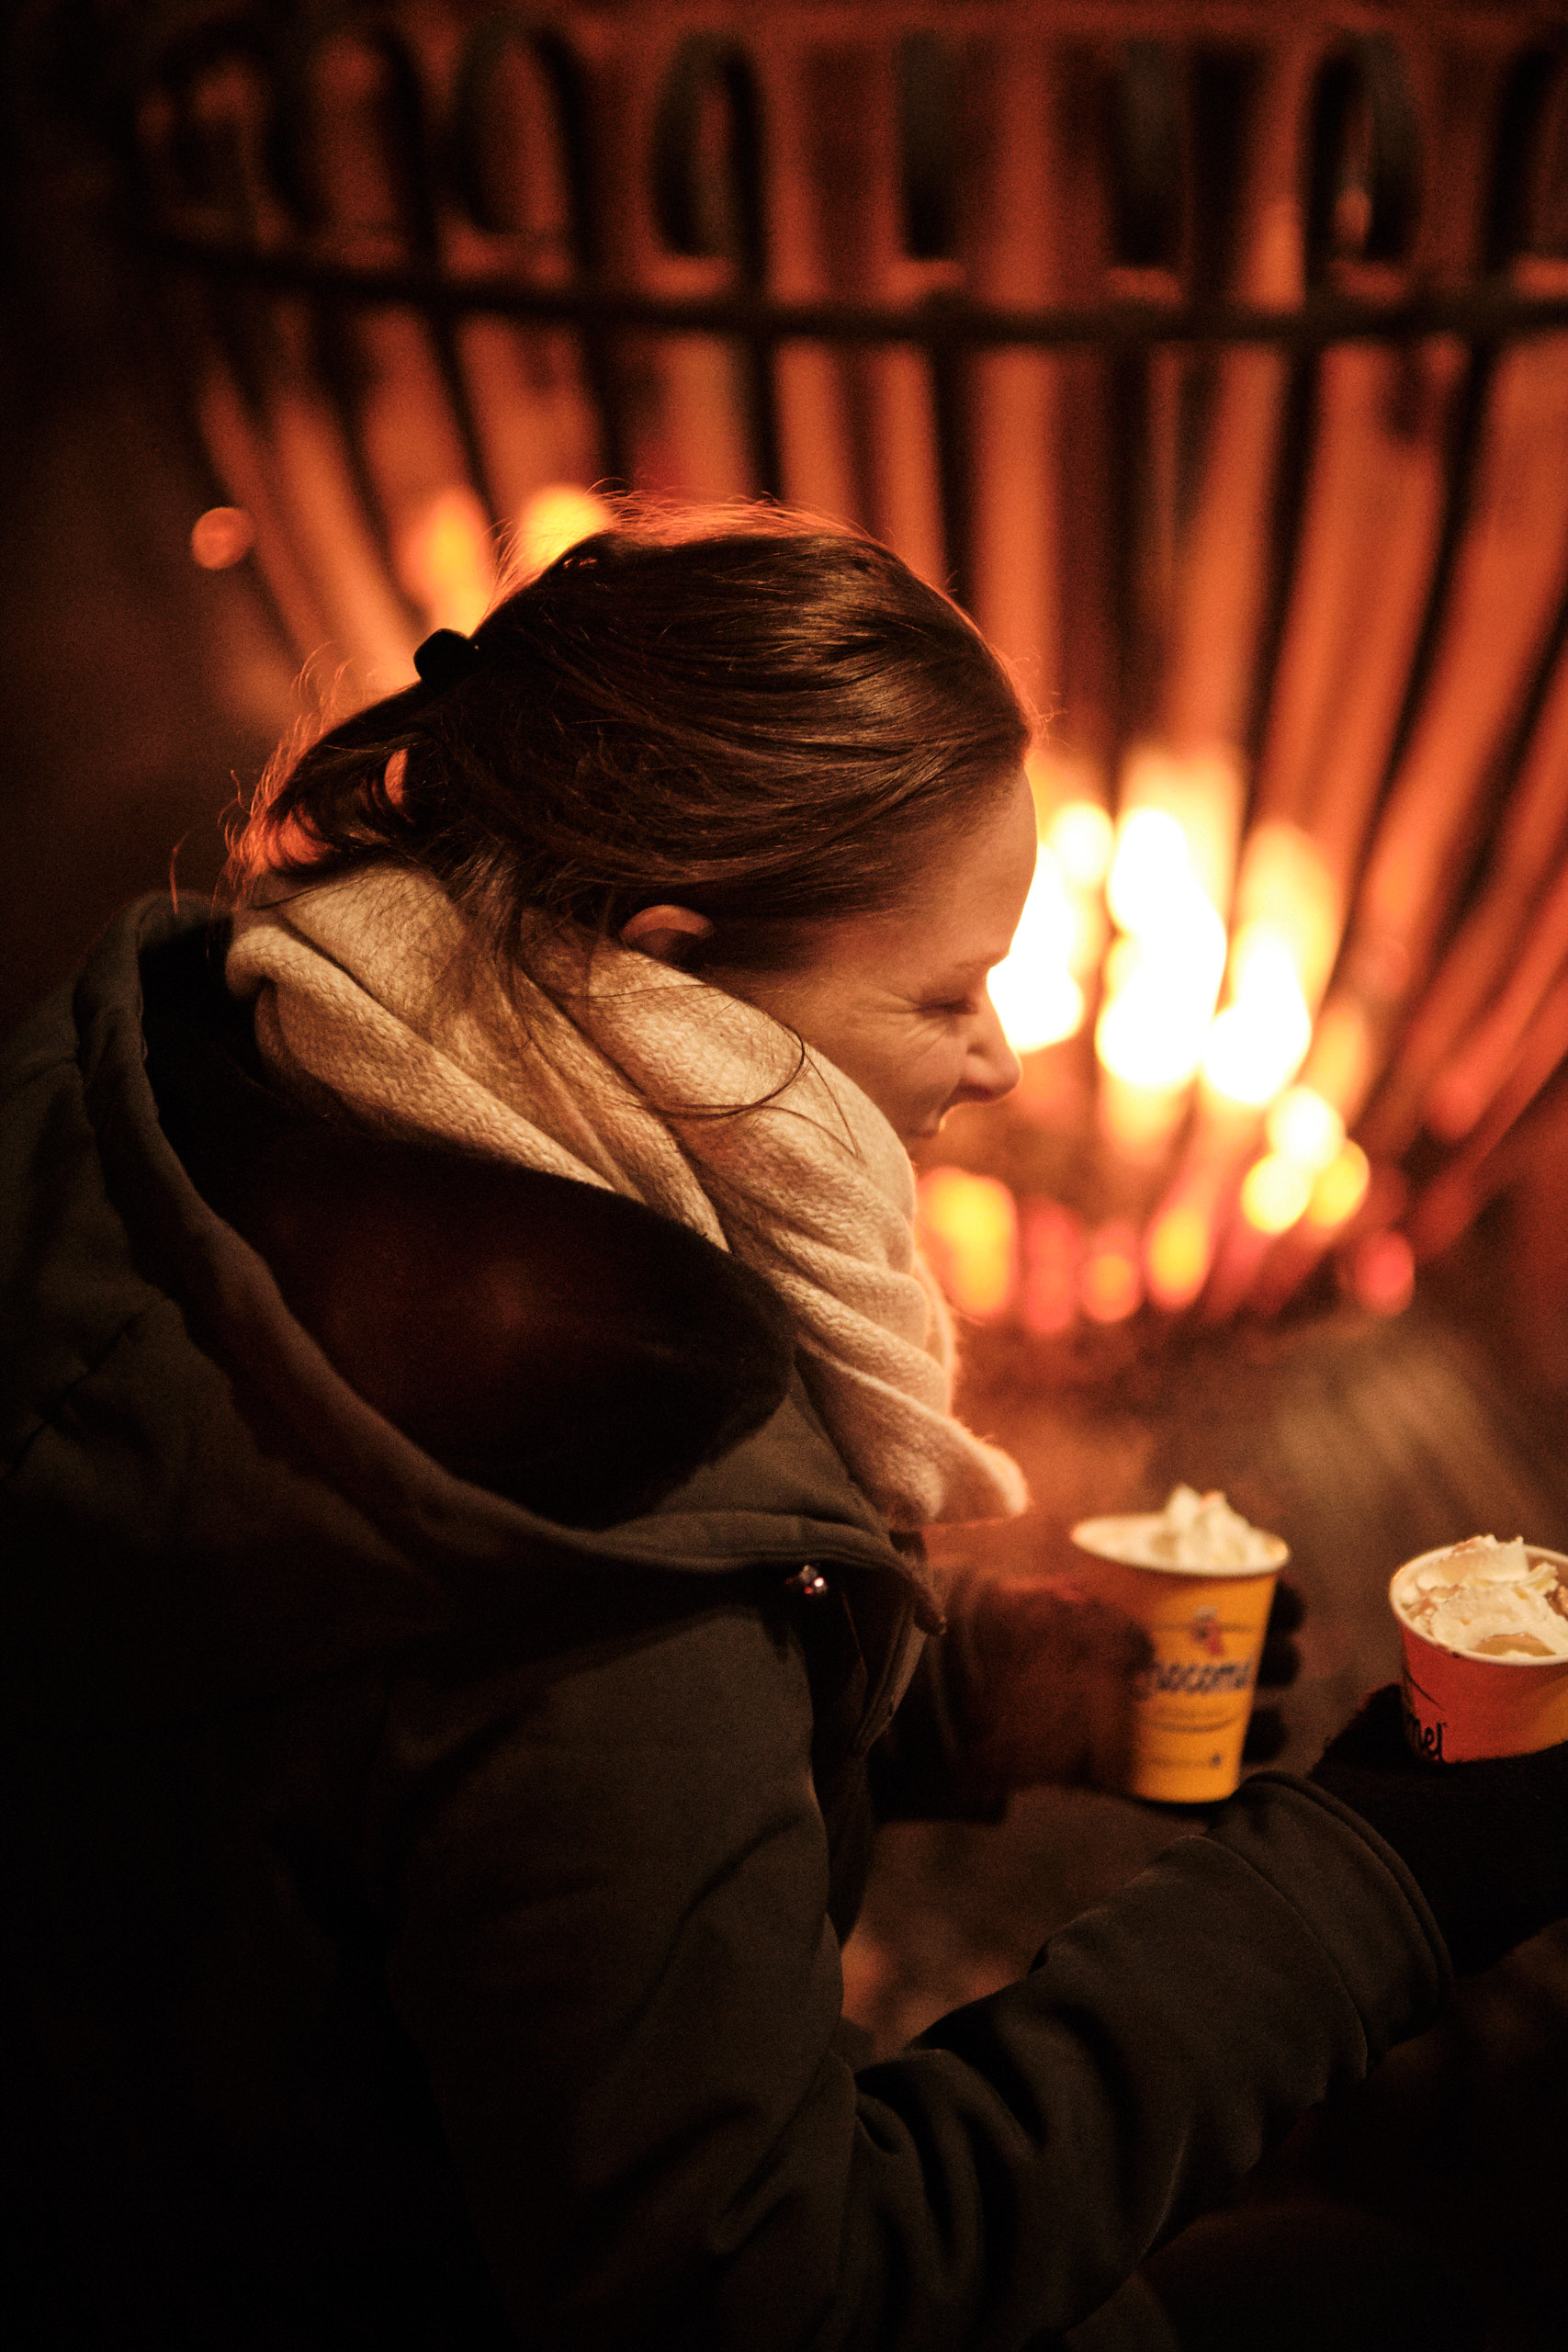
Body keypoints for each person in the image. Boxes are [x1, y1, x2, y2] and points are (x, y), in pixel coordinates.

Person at [4, 507, 1567, 2352]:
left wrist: (954, 1681)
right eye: (943, 990)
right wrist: (1366, 1884)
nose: (997, 1059)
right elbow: (783, 2289)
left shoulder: (188, 1098)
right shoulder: (596, 1473)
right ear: (667, 959)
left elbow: (395, 1774)